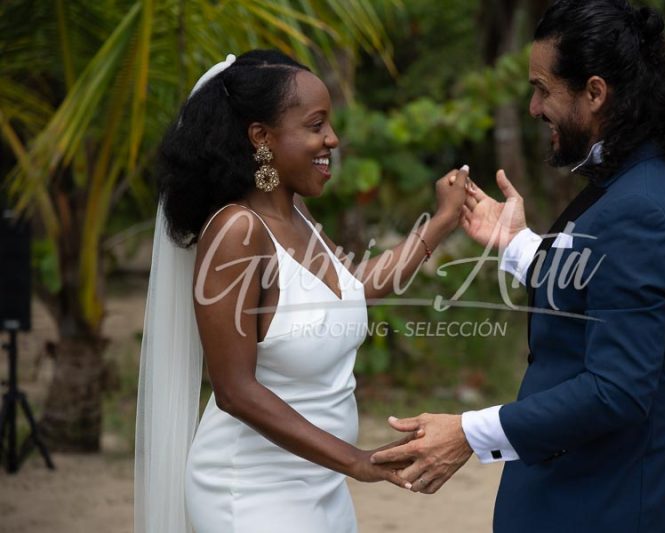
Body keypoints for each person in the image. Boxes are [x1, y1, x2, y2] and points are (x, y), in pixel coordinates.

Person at [372, 1, 665, 531]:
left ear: (595, 92)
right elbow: (605, 284)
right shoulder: (659, 181)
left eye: (543, 89)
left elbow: (616, 389)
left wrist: (469, 433)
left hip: (607, 505)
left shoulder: (638, 208)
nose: (533, 107)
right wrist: (516, 245)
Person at [133, 50, 468, 533]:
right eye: (315, 125)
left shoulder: (297, 218)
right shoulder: (236, 232)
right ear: (261, 137)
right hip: (250, 492)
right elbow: (234, 390)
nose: (332, 138)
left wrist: (442, 221)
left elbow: (354, 289)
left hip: (322, 485)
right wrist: (356, 460)